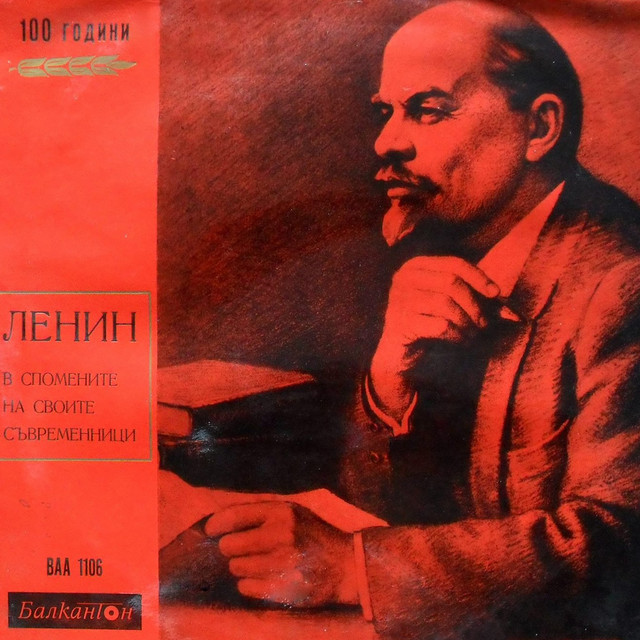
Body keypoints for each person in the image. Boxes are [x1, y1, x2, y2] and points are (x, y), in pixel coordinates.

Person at [203, 2, 640, 638]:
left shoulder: (623, 279)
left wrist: (356, 569)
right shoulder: (465, 251)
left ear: (540, 127)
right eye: (386, 111)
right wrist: (389, 381)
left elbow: (621, 551)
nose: (386, 142)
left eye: (428, 110)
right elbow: (401, 510)